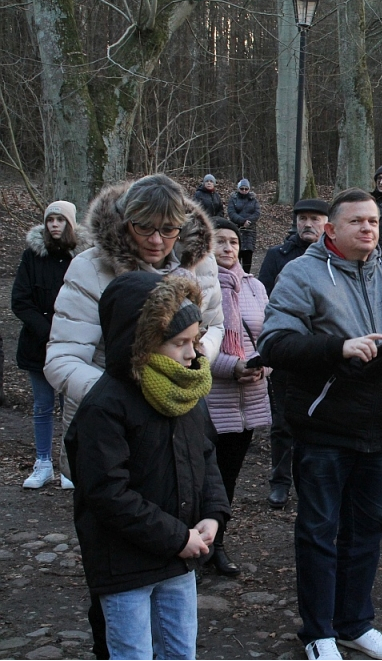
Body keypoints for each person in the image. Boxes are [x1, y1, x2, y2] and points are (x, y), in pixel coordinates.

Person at [44, 174, 224, 659]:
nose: (157, 240)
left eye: (168, 230)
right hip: (113, 426)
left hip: (178, 420)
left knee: (173, 596)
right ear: (125, 223)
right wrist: (131, 390)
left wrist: (183, 368)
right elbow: (61, 358)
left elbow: (213, 330)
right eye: (145, 228)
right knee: (119, 579)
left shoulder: (197, 261)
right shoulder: (89, 267)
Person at [258, 188, 382, 661]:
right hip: (323, 428)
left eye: (373, 221)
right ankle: (318, 632)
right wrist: (337, 347)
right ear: (332, 229)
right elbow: (273, 343)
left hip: (378, 427)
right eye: (357, 221)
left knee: (368, 529)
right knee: (319, 531)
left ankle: (355, 622)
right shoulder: (301, 273)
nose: (368, 229)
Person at [65, 272, 230, 660]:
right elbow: (107, 493)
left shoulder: (184, 390)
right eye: (180, 343)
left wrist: (213, 513)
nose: (193, 353)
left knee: (180, 651)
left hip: (179, 559)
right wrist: (177, 537)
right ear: (141, 345)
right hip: (126, 567)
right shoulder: (104, 408)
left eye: (195, 340)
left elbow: (205, 456)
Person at [206, 217, 271, 575]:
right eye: (220, 242)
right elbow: (192, 347)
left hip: (248, 400)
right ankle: (191, 544)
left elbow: (272, 338)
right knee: (201, 477)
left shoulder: (255, 287)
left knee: (227, 478)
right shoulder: (196, 285)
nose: (228, 248)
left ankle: (217, 543)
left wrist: (264, 367)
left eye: (232, 242)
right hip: (209, 398)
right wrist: (233, 366)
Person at [257, 199, 330, 509]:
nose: (307, 224)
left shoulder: (334, 261)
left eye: (314, 218)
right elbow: (263, 303)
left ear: (327, 224)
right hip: (287, 353)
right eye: (302, 218)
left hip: (324, 354)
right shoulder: (277, 257)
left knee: (322, 421)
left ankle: (315, 482)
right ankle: (280, 482)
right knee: (282, 422)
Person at [13, 201, 78, 489]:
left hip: (72, 344)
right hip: (38, 344)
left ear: (70, 224)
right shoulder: (32, 256)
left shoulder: (81, 258)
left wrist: (67, 331)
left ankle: (69, 464)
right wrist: (47, 330)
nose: (54, 225)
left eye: (60, 220)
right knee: (42, 405)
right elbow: (20, 300)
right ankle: (43, 463)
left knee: (71, 405)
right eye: (50, 219)